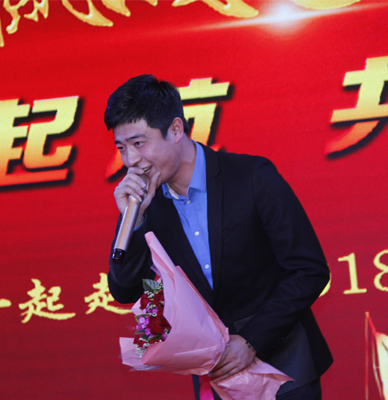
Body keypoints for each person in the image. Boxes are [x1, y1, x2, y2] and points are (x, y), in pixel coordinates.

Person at [105, 74, 332, 400]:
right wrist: (135, 219)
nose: (131, 161)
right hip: (218, 381)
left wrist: (251, 341)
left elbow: (309, 270)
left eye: (138, 144)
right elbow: (125, 290)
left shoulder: (251, 176)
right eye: (121, 148)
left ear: (176, 130)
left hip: (284, 369)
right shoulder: (146, 205)